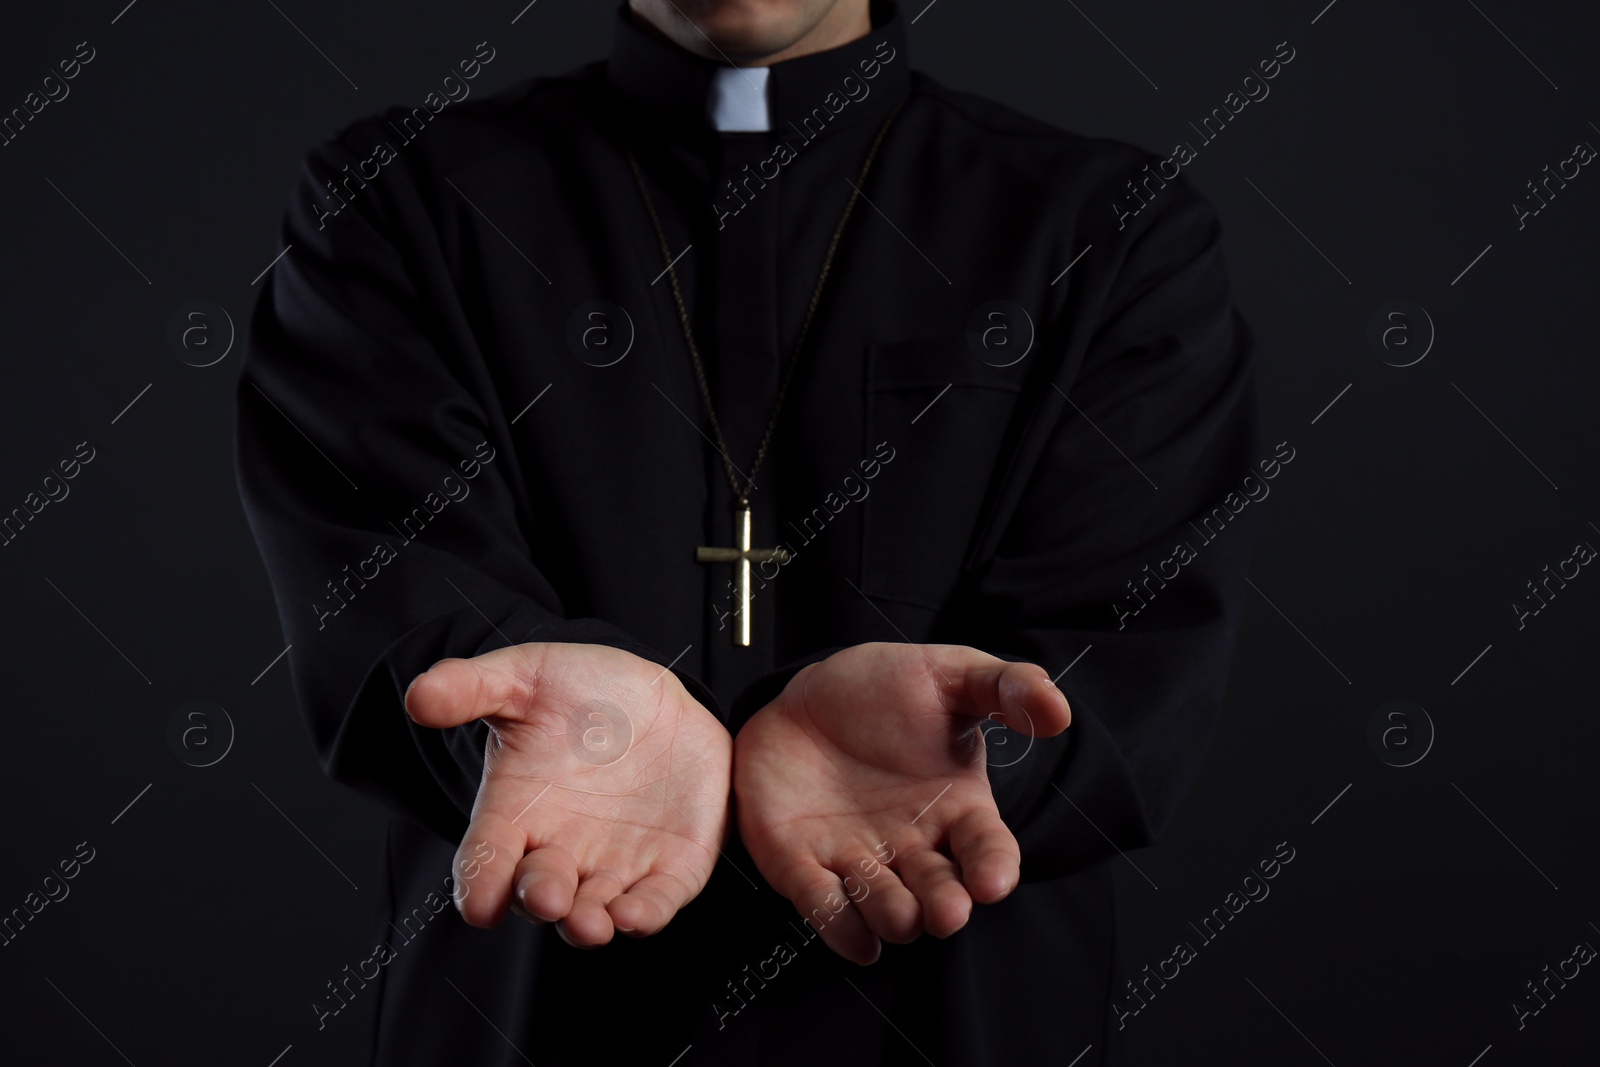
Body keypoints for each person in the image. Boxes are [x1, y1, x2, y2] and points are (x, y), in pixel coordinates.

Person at [237, 1, 1259, 1063]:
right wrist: (539, 721)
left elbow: (1127, 655)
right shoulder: (400, 202)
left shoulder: (1110, 228)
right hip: (530, 1020)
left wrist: (987, 752)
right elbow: (387, 592)